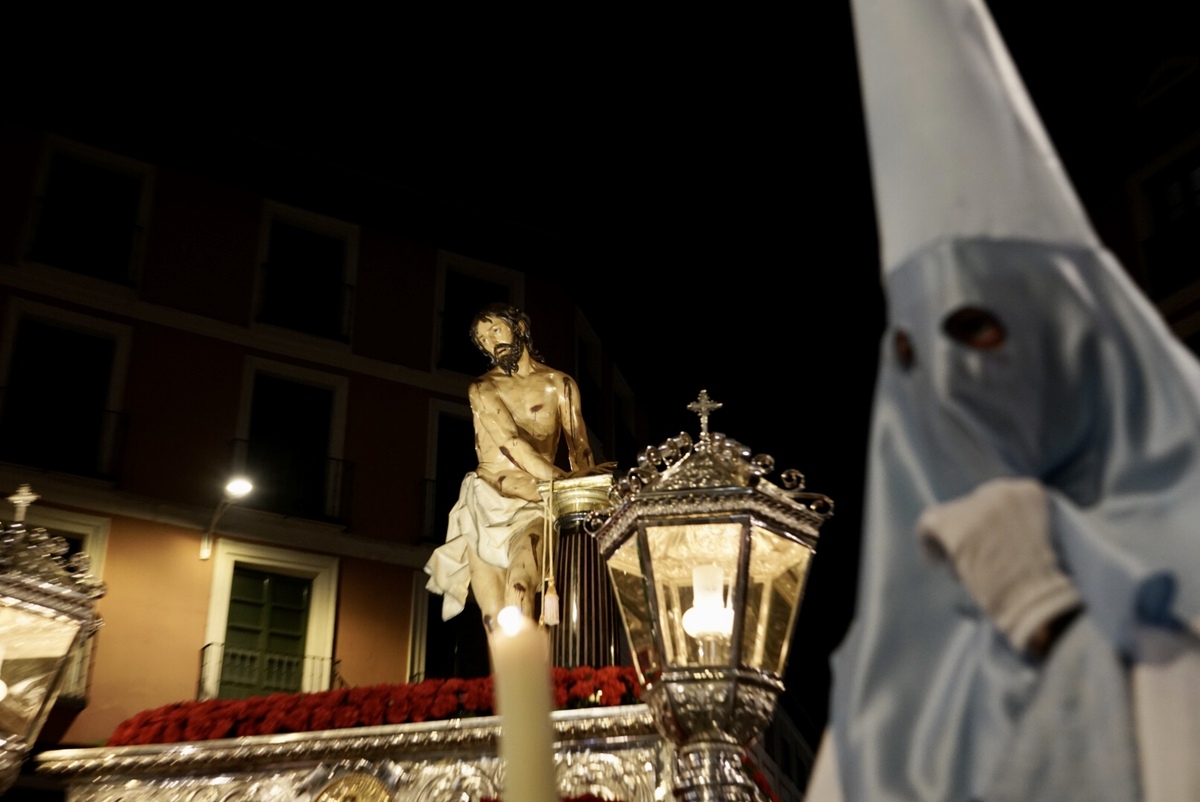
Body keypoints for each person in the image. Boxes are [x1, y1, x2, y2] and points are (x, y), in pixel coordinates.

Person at [807, 1, 1200, 800]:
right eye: (910, 357)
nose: (947, 387)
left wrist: (1052, 618)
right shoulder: (887, 693)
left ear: (1081, 338)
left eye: (976, 329)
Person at [424, 303, 595, 628]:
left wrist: (587, 496)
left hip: (535, 507)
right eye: (483, 339)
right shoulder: (482, 388)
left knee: (519, 590)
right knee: (493, 617)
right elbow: (513, 445)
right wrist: (568, 485)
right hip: (485, 505)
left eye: (495, 330)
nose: (491, 342)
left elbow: (581, 451)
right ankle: (511, 679)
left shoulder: (560, 385)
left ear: (518, 327)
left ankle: (533, 679)